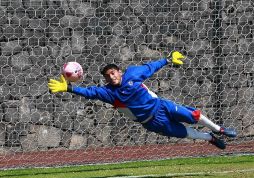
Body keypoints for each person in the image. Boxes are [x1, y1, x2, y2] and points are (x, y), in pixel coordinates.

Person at [48, 51, 237, 149]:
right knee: (187, 134)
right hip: (152, 122)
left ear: (119, 71)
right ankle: (210, 138)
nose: (111, 77)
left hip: (162, 106)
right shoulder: (109, 93)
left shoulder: (132, 73)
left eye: (113, 73)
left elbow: (150, 67)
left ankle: (220, 129)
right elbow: (90, 92)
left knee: (194, 115)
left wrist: (168, 59)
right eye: (107, 76)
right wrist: (69, 88)